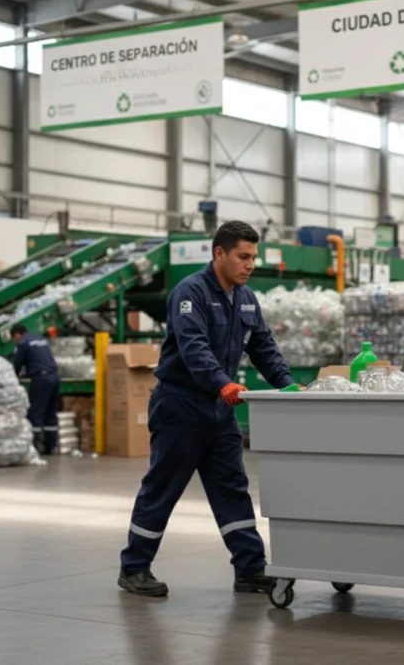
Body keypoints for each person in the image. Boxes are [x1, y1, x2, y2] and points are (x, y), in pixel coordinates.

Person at [118, 220, 295, 598]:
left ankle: (250, 568)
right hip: (180, 406)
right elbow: (193, 346)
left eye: (253, 257)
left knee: (232, 488)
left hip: (219, 411)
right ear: (219, 254)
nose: (250, 265)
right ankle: (134, 567)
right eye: (242, 257)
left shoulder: (246, 298)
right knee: (162, 488)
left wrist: (287, 384)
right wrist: (222, 382)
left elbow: (262, 345)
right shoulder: (190, 293)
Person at [11, 324, 60, 456]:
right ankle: (51, 446)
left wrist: (11, 377)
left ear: (17, 334)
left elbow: (17, 363)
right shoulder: (40, 338)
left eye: (14, 338)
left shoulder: (22, 342)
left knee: (36, 412)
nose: (15, 341)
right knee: (51, 412)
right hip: (55, 377)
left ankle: (34, 447)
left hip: (41, 379)